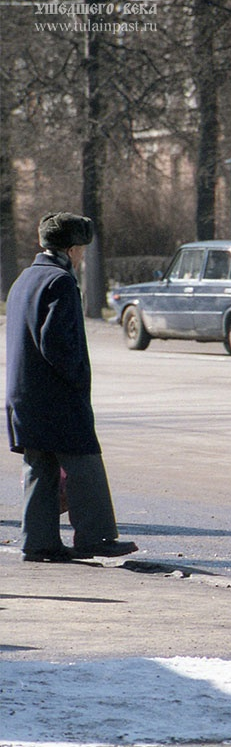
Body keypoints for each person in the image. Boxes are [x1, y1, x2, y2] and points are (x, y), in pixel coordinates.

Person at [6, 212, 138, 561]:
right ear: (73, 249)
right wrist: (79, 379)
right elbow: (57, 343)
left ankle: (38, 542)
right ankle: (96, 538)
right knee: (84, 464)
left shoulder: (24, 279)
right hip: (56, 398)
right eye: (81, 250)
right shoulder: (60, 282)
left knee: (40, 467)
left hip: (24, 395)